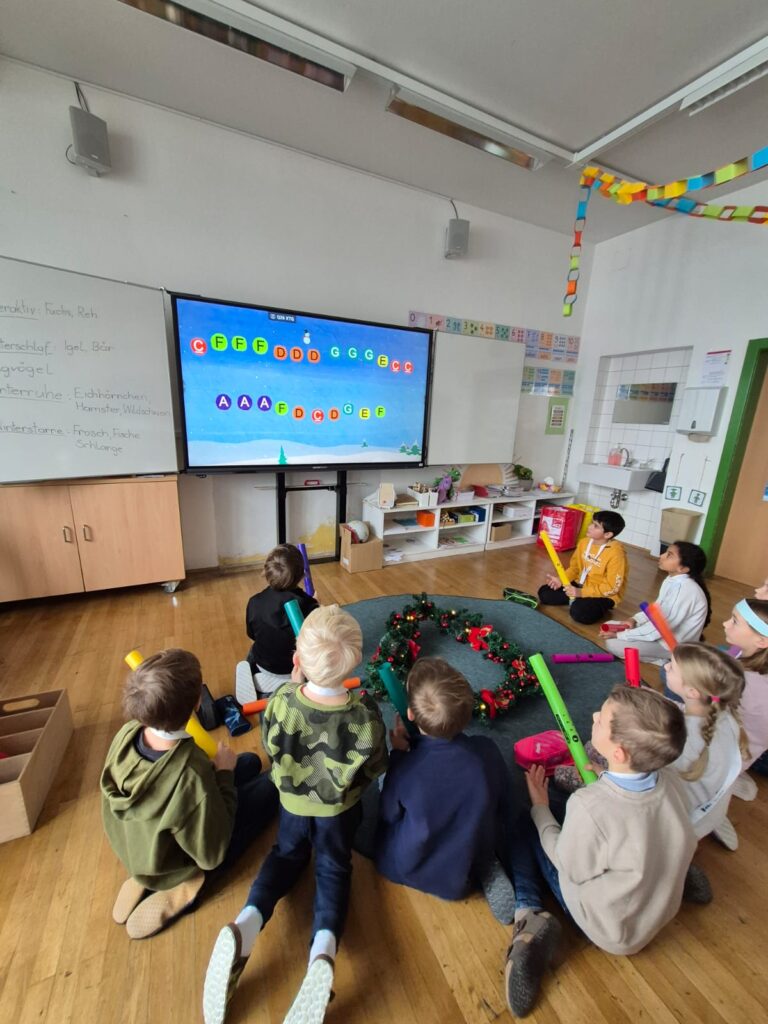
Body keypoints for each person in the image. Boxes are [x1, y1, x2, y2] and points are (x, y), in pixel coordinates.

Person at [204, 605, 387, 1024]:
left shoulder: (282, 701)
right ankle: (323, 950)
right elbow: (376, 766)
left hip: (291, 805)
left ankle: (247, 922)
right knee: (334, 869)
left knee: (284, 856)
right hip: (338, 814)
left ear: (296, 660)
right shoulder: (365, 715)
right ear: (354, 662)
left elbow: (269, 746)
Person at [504, 686, 695, 1017]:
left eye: (602, 718)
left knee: (526, 825)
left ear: (618, 753)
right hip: (658, 909)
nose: (594, 716)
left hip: (612, 931)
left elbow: (566, 862)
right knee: (637, 836)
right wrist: (605, 775)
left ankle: (529, 913)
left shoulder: (589, 805)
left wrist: (540, 807)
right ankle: (670, 870)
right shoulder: (672, 780)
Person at [101, 649, 278, 940]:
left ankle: (146, 872)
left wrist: (221, 771)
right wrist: (223, 774)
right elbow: (211, 853)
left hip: (145, 837)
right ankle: (184, 885)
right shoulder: (191, 772)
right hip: (185, 858)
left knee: (248, 762)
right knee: (275, 783)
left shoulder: (127, 733)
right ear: (197, 703)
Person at [374, 657, 514, 922]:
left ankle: (483, 863)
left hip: (410, 866)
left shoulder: (406, 768)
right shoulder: (485, 751)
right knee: (484, 826)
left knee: (385, 784)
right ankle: (487, 866)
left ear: (410, 714)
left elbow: (388, 813)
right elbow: (503, 799)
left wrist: (398, 755)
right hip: (462, 866)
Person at [664, 644, 749, 843]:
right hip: (712, 806)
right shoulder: (725, 715)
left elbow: (651, 779)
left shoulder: (682, 740)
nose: (666, 667)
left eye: (672, 667)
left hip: (680, 822)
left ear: (693, 692)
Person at [603, 541, 710, 664]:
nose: (661, 556)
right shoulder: (672, 580)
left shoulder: (684, 589)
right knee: (609, 625)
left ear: (683, 568)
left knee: (614, 644)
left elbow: (662, 628)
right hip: (660, 633)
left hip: (672, 645)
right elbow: (657, 609)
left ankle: (667, 660)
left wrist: (621, 635)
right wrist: (633, 620)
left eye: (669, 555)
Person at [237, 543, 319, 703]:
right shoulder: (308, 605)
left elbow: (252, 635)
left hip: (265, 665)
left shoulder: (254, 602)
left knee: (253, 651)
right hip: (298, 669)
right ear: (301, 575)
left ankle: (257, 677)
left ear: (267, 571)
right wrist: (317, 606)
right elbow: (315, 641)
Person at [537, 510, 628, 625]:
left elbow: (612, 588)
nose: (590, 527)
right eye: (592, 523)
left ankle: (585, 602)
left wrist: (581, 592)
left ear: (608, 535)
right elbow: (574, 568)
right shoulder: (584, 543)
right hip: (580, 585)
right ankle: (578, 599)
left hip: (603, 594)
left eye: (596, 526)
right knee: (544, 593)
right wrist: (562, 580)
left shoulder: (616, 554)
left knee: (580, 613)